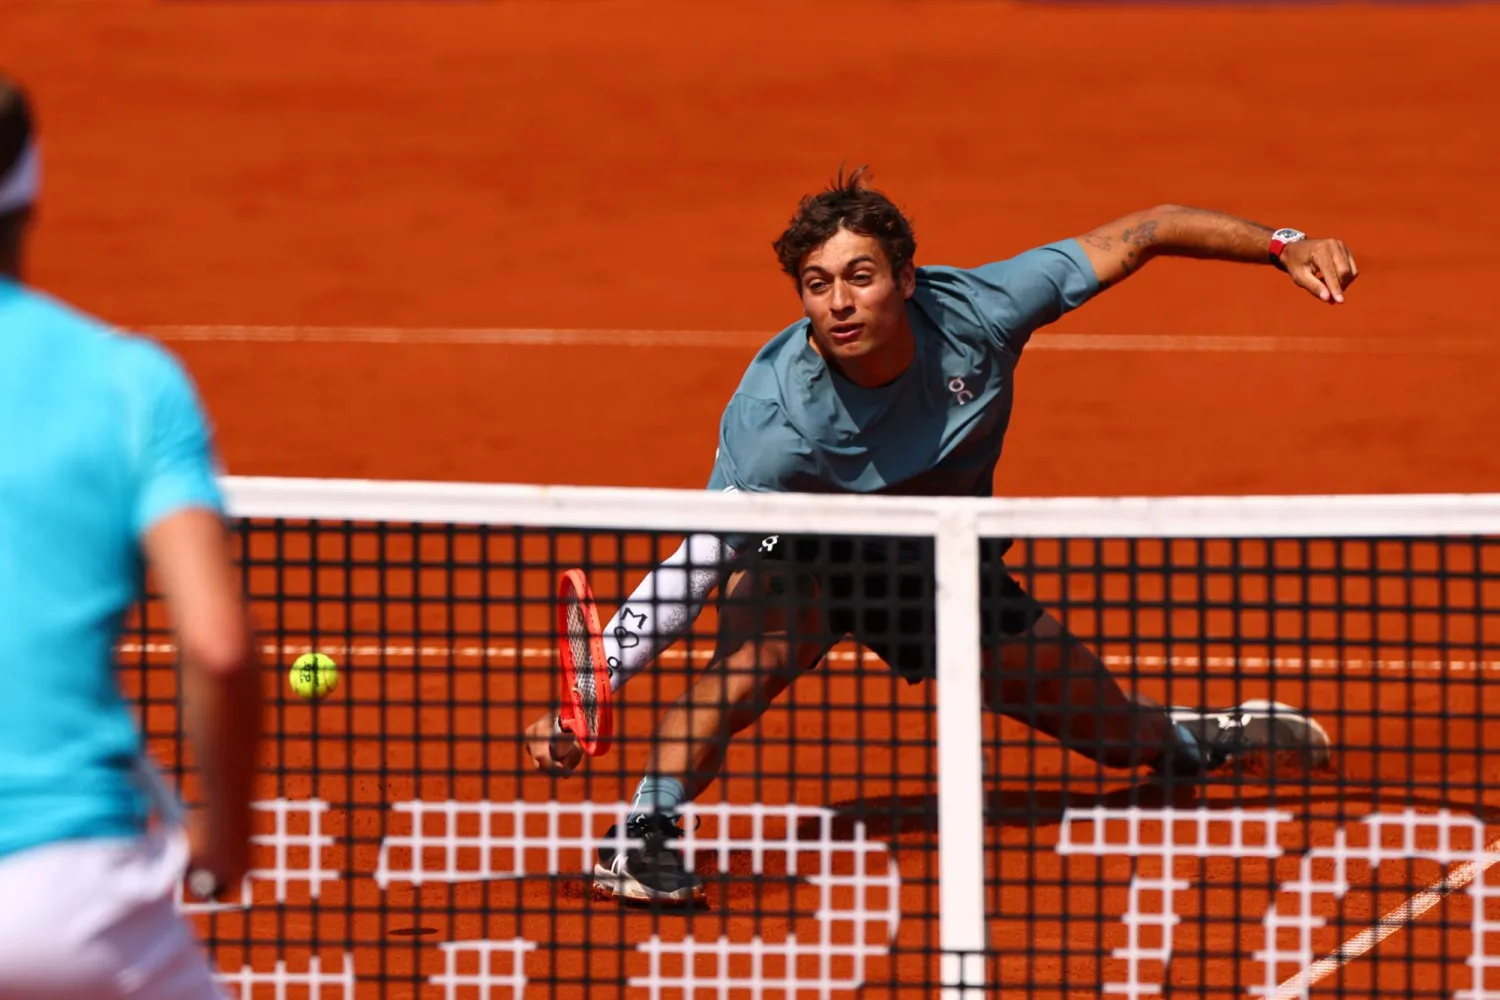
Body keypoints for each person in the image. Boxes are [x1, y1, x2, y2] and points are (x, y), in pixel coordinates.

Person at [526, 166, 1353, 904]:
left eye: (860, 277)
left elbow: (1151, 229)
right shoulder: (774, 420)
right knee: (746, 667)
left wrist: (1284, 244)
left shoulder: (983, 314)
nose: (839, 302)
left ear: (907, 279)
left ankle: (1187, 737)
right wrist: (591, 686)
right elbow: (699, 563)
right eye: (817, 285)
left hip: (937, 559)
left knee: (1112, 734)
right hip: (810, 550)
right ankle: (641, 834)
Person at [0, 75, 263, 996]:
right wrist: (224, 841)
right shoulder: (127, 384)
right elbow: (219, 647)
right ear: (30, 186)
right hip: (72, 905)